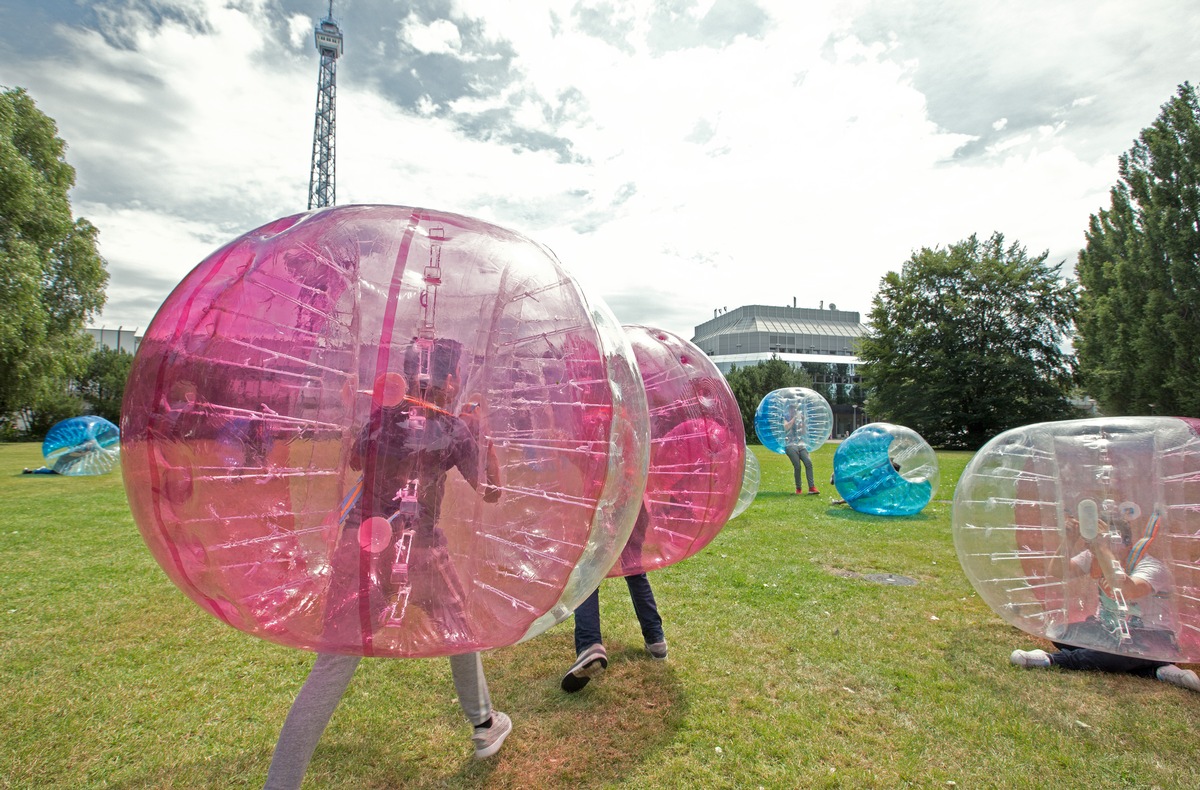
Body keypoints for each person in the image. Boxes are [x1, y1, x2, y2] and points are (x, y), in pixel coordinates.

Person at [265, 341, 510, 789]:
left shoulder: (382, 419)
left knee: (333, 662)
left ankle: (280, 784)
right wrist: (484, 438)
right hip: (421, 551)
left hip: (360, 545)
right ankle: (483, 723)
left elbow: (357, 460)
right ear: (447, 381)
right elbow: (491, 492)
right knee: (458, 629)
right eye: (454, 376)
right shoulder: (454, 429)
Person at [1010, 505, 1200, 692]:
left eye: (1099, 544)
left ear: (1125, 543)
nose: (1091, 549)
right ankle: (1156, 669)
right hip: (1111, 630)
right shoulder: (1095, 556)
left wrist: (1101, 547)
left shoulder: (1152, 567)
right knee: (1061, 633)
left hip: (1153, 637)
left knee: (1114, 652)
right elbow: (1058, 571)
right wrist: (1068, 540)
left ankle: (1050, 659)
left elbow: (1127, 590)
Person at [561, 503, 667, 693]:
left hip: (602, 503)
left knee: (589, 572)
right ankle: (655, 639)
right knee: (634, 569)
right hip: (634, 503)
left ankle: (589, 645)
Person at [783, 400, 817, 495]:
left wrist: (803, 421)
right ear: (789, 409)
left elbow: (803, 433)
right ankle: (799, 489)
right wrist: (794, 418)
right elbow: (786, 427)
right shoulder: (784, 417)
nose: (794, 410)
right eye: (792, 408)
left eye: (795, 408)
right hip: (789, 445)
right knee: (797, 466)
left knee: (808, 463)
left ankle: (812, 487)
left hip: (801, 444)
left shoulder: (799, 419)